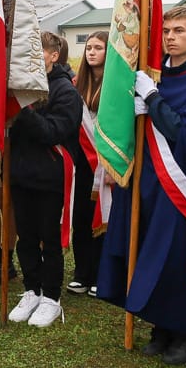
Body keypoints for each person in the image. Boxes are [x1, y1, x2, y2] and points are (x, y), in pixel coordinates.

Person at [97, 7, 186, 365]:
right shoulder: (151, 75)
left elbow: (180, 130)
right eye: (166, 30)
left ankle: (184, 333)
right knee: (149, 248)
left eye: (179, 30)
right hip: (145, 177)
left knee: (179, 255)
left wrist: (151, 99)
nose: (170, 36)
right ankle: (159, 326)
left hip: (183, 181)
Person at [8, 30, 82, 327]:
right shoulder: (21, 85)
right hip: (21, 174)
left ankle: (51, 298)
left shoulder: (65, 90)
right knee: (25, 238)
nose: (33, 58)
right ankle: (31, 291)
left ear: (53, 55)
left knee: (48, 240)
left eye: (39, 52)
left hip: (51, 178)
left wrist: (22, 110)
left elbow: (55, 132)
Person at [66, 31, 109, 296]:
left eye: (98, 47)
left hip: (107, 164)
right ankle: (82, 272)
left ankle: (101, 274)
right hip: (81, 162)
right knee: (81, 217)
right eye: (89, 47)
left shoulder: (116, 85)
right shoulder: (75, 84)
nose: (91, 52)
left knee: (104, 217)